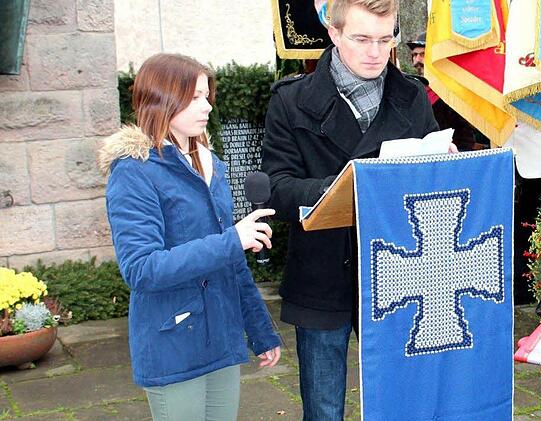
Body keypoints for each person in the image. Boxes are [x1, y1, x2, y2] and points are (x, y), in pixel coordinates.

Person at [261, 0, 439, 418]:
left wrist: (441, 165)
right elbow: (276, 188)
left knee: (407, 402)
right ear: (334, 32)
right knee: (323, 408)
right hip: (323, 272)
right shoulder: (291, 101)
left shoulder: (412, 97)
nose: (376, 52)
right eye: (361, 38)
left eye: (385, 38)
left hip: (403, 273)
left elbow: (430, 186)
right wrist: (343, 189)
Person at [101, 53, 282, 421]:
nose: (207, 105)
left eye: (206, 95)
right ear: (162, 99)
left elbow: (231, 260)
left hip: (221, 338)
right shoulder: (134, 171)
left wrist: (261, 330)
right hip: (173, 343)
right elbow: (142, 269)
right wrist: (233, 239)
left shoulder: (208, 164)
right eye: (195, 96)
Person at [406, 32, 478, 151]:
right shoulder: (412, 90)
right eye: (414, 55)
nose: (417, 60)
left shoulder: (450, 89)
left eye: (422, 54)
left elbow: (464, 134)